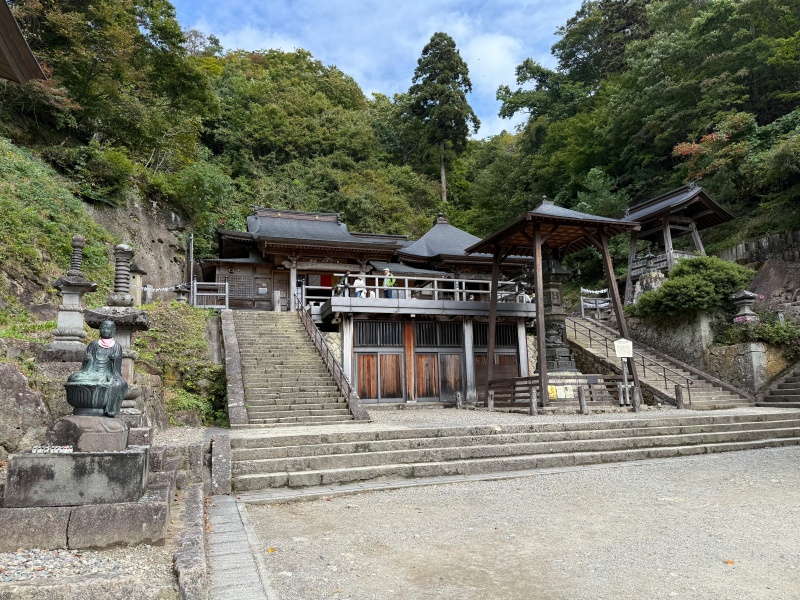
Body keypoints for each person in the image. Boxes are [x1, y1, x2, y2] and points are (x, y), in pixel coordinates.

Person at [66, 320, 127, 417]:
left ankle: (109, 409)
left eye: (108, 328)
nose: (105, 330)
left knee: (116, 383)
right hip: (91, 372)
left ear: (113, 331)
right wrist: (88, 360)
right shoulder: (93, 345)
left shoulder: (116, 346)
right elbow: (85, 367)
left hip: (107, 373)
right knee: (74, 378)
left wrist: (113, 360)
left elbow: (117, 369)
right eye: (103, 328)